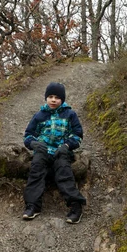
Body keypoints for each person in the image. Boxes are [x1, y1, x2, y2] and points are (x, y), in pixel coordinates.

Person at [22, 81, 86, 224]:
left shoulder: (70, 114)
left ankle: (76, 207)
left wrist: (67, 145)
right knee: (36, 170)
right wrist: (34, 144)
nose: (53, 100)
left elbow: (77, 134)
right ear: (46, 98)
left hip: (61, 151)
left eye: (57, 97)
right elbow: (28, 135)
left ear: (62, 99)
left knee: (64, 171)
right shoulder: (40, 115)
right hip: (43, 151)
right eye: (50, 96)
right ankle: (32, 206)